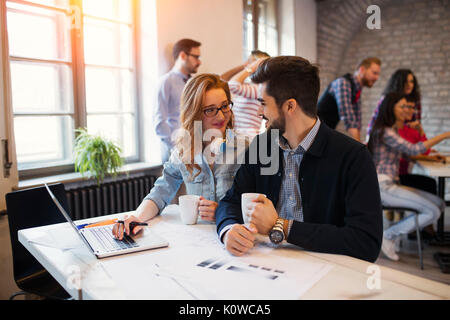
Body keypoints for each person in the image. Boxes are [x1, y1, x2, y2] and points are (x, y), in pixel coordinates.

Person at [216, 56, 383, 263]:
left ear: (290, 106)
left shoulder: (353, 158)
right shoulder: (262, 146)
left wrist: (282, 226)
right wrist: (229, 229)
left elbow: (366, 242)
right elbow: (230, 201)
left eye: (263, 104)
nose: (259, 112)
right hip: (263, 264)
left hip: (325, 273)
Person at [113, 73, 245, 240]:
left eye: (225, 106)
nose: (220, 116)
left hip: (235, 239)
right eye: (210, 110)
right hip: (199, 240)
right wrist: (137, 218)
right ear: (194, 112)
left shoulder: (246, 149)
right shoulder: (184, 151)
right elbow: (160, 192)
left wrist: (223, 212)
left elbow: (258, 207)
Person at [367, 92, 449, 261]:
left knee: (439, 204)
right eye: (403, 106)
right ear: (391, 107)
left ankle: (393, 233)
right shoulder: (384, 132)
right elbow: (413, 149)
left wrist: (430, 157)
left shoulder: (390, 131)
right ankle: (389, 235)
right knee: (433, 211)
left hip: (390, 184)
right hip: (382, 186)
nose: (407, 109)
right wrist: (446, 134)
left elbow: (409, 154)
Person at [153, 38, 202, 163]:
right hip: (175, 152)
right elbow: (159, 122)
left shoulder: (195, 83)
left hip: (196, 151)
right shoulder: (166, 82)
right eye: (196, 57)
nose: (199, 62)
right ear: (182, 55)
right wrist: (177, 148)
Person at [317, 57, 381, 142]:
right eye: (374, 73)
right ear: (362, 70)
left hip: (325, 131)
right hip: (313, 130)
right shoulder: (343, 83)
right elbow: (348, 116)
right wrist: (360, 147)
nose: (377, 78)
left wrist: (360, 143)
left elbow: (357, 120)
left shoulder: (357, 89)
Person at [220, 50, 270, 139]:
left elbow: (232, 85)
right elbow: (222, 80)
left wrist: (250, 68)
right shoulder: (249, 87)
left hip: (247, 137)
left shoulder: (259, 89)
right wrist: (244, 66)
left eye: (249, 62)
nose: (246, 64)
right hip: (237, 136)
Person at [367, 69, 421, 140]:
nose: (409, 85)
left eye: (411, 82)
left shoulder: (415, 100)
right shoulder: (388, 99)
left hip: (407, 139)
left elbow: (417, 124)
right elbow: (377, 121)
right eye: (405, 82)